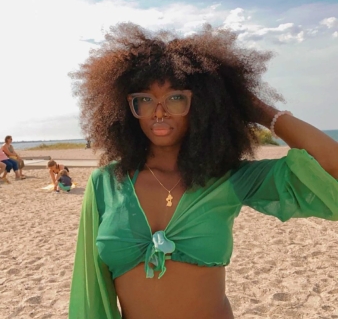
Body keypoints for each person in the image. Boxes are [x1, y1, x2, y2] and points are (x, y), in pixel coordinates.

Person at [68, 23, 338, 319]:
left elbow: (331, 164)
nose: (159, 112)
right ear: (125, 108)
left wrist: (256, 109)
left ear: (202, 105)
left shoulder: (229, 178)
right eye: (144, 100)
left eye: (176, 98)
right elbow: (90, 289)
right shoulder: (105, 183)